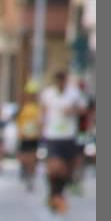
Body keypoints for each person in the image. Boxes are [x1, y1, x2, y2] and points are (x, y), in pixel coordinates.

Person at [40, 68, 85, 213]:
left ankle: (58, 195)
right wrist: (41, 124)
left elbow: (83, 109)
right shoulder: (48, 94)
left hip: (69, 135)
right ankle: (54, 194)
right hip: (52, 135)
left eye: (62, 79)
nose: (60, 83)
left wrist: (73, 111)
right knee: (55, 166)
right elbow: (43, 111)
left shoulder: (74, 93)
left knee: (65, 169)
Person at [16, 79, 42, 190]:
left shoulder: (38, 108)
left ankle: (31, 176)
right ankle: (26, 171)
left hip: (33, 137)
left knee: (32, 157)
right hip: (23, 136)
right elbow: (19, 121)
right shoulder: (23, 106)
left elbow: (40, 122)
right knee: (23, 157)